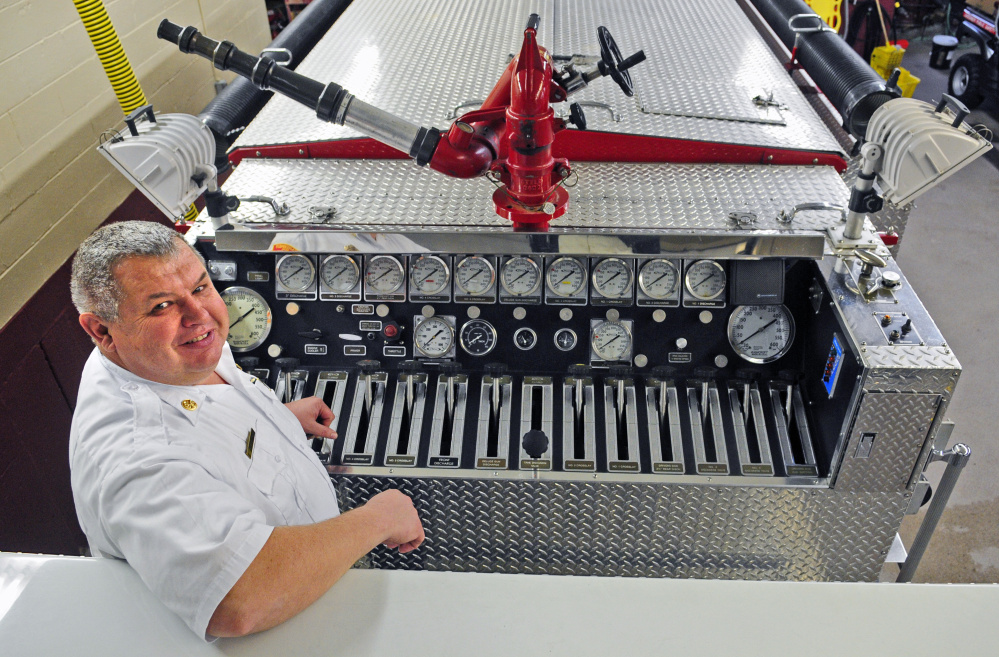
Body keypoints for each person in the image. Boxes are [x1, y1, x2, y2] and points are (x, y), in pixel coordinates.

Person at [68, 220, 425, 640]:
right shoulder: (141, 456)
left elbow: (206, 431)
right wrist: (377, 519)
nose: (201, 316)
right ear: (100, 330)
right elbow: (238, 599)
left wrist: (277, 420)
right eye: (162, 306)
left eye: (201, 287)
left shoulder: (161, 357)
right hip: (281, 630)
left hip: (319, 580)